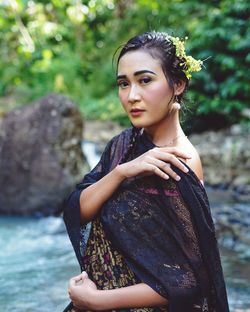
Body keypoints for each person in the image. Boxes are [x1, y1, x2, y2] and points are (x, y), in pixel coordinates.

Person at [63, 31, 229, 312]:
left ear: (177, 84)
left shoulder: (179, 162)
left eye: (145, 80)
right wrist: (120, 173)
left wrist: (97, 301)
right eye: (123, 84)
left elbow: (189, 281)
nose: (132, 96)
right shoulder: (124, 145)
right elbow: (77, 210)